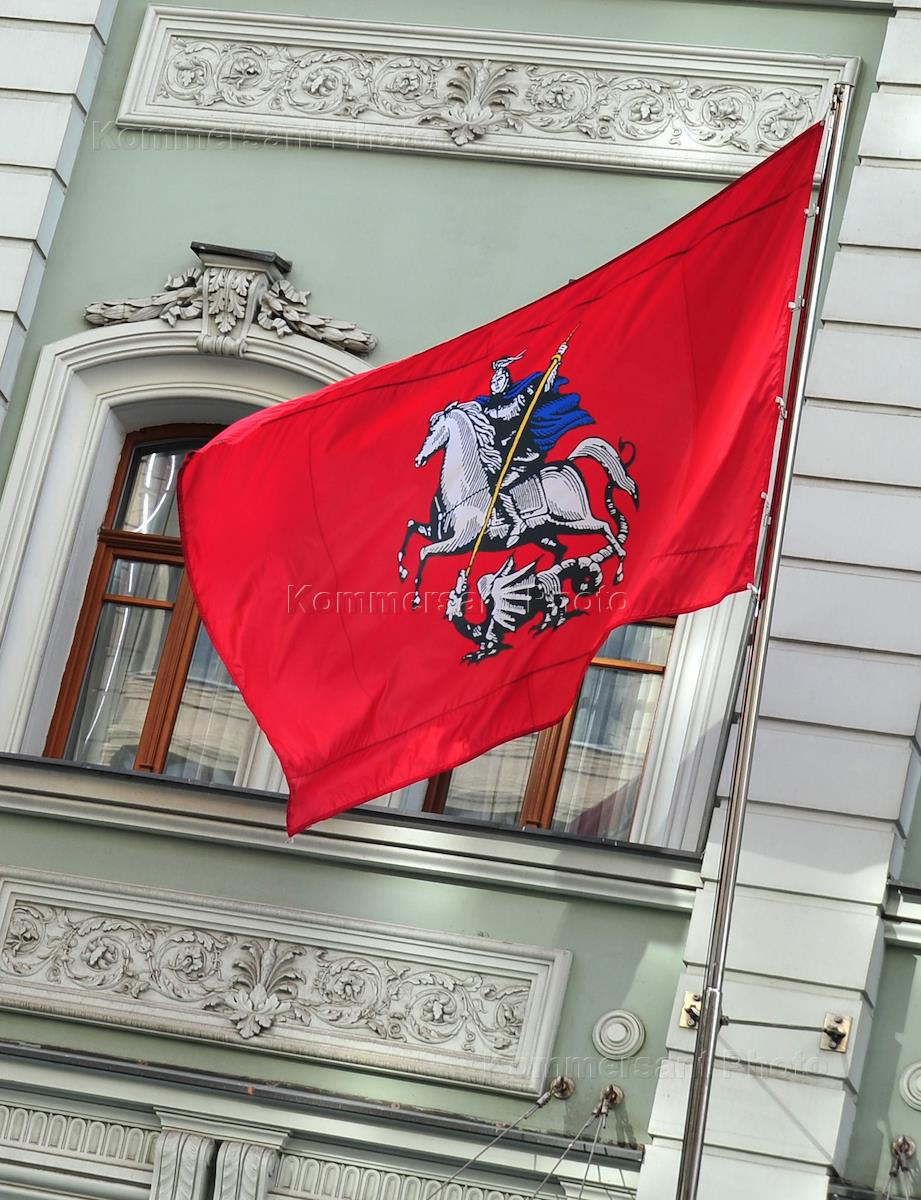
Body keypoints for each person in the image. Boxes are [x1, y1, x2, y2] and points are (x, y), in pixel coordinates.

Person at [476, 342, 593, 541]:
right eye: (493, 380)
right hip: (500, 457)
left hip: (523, 454)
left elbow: (544, 385)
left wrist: (556, 362)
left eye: (500, 379)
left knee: (498, 487)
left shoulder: (519, 400)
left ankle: (517, 522)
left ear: (507, 381)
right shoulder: (485, 408)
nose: (495, 383)